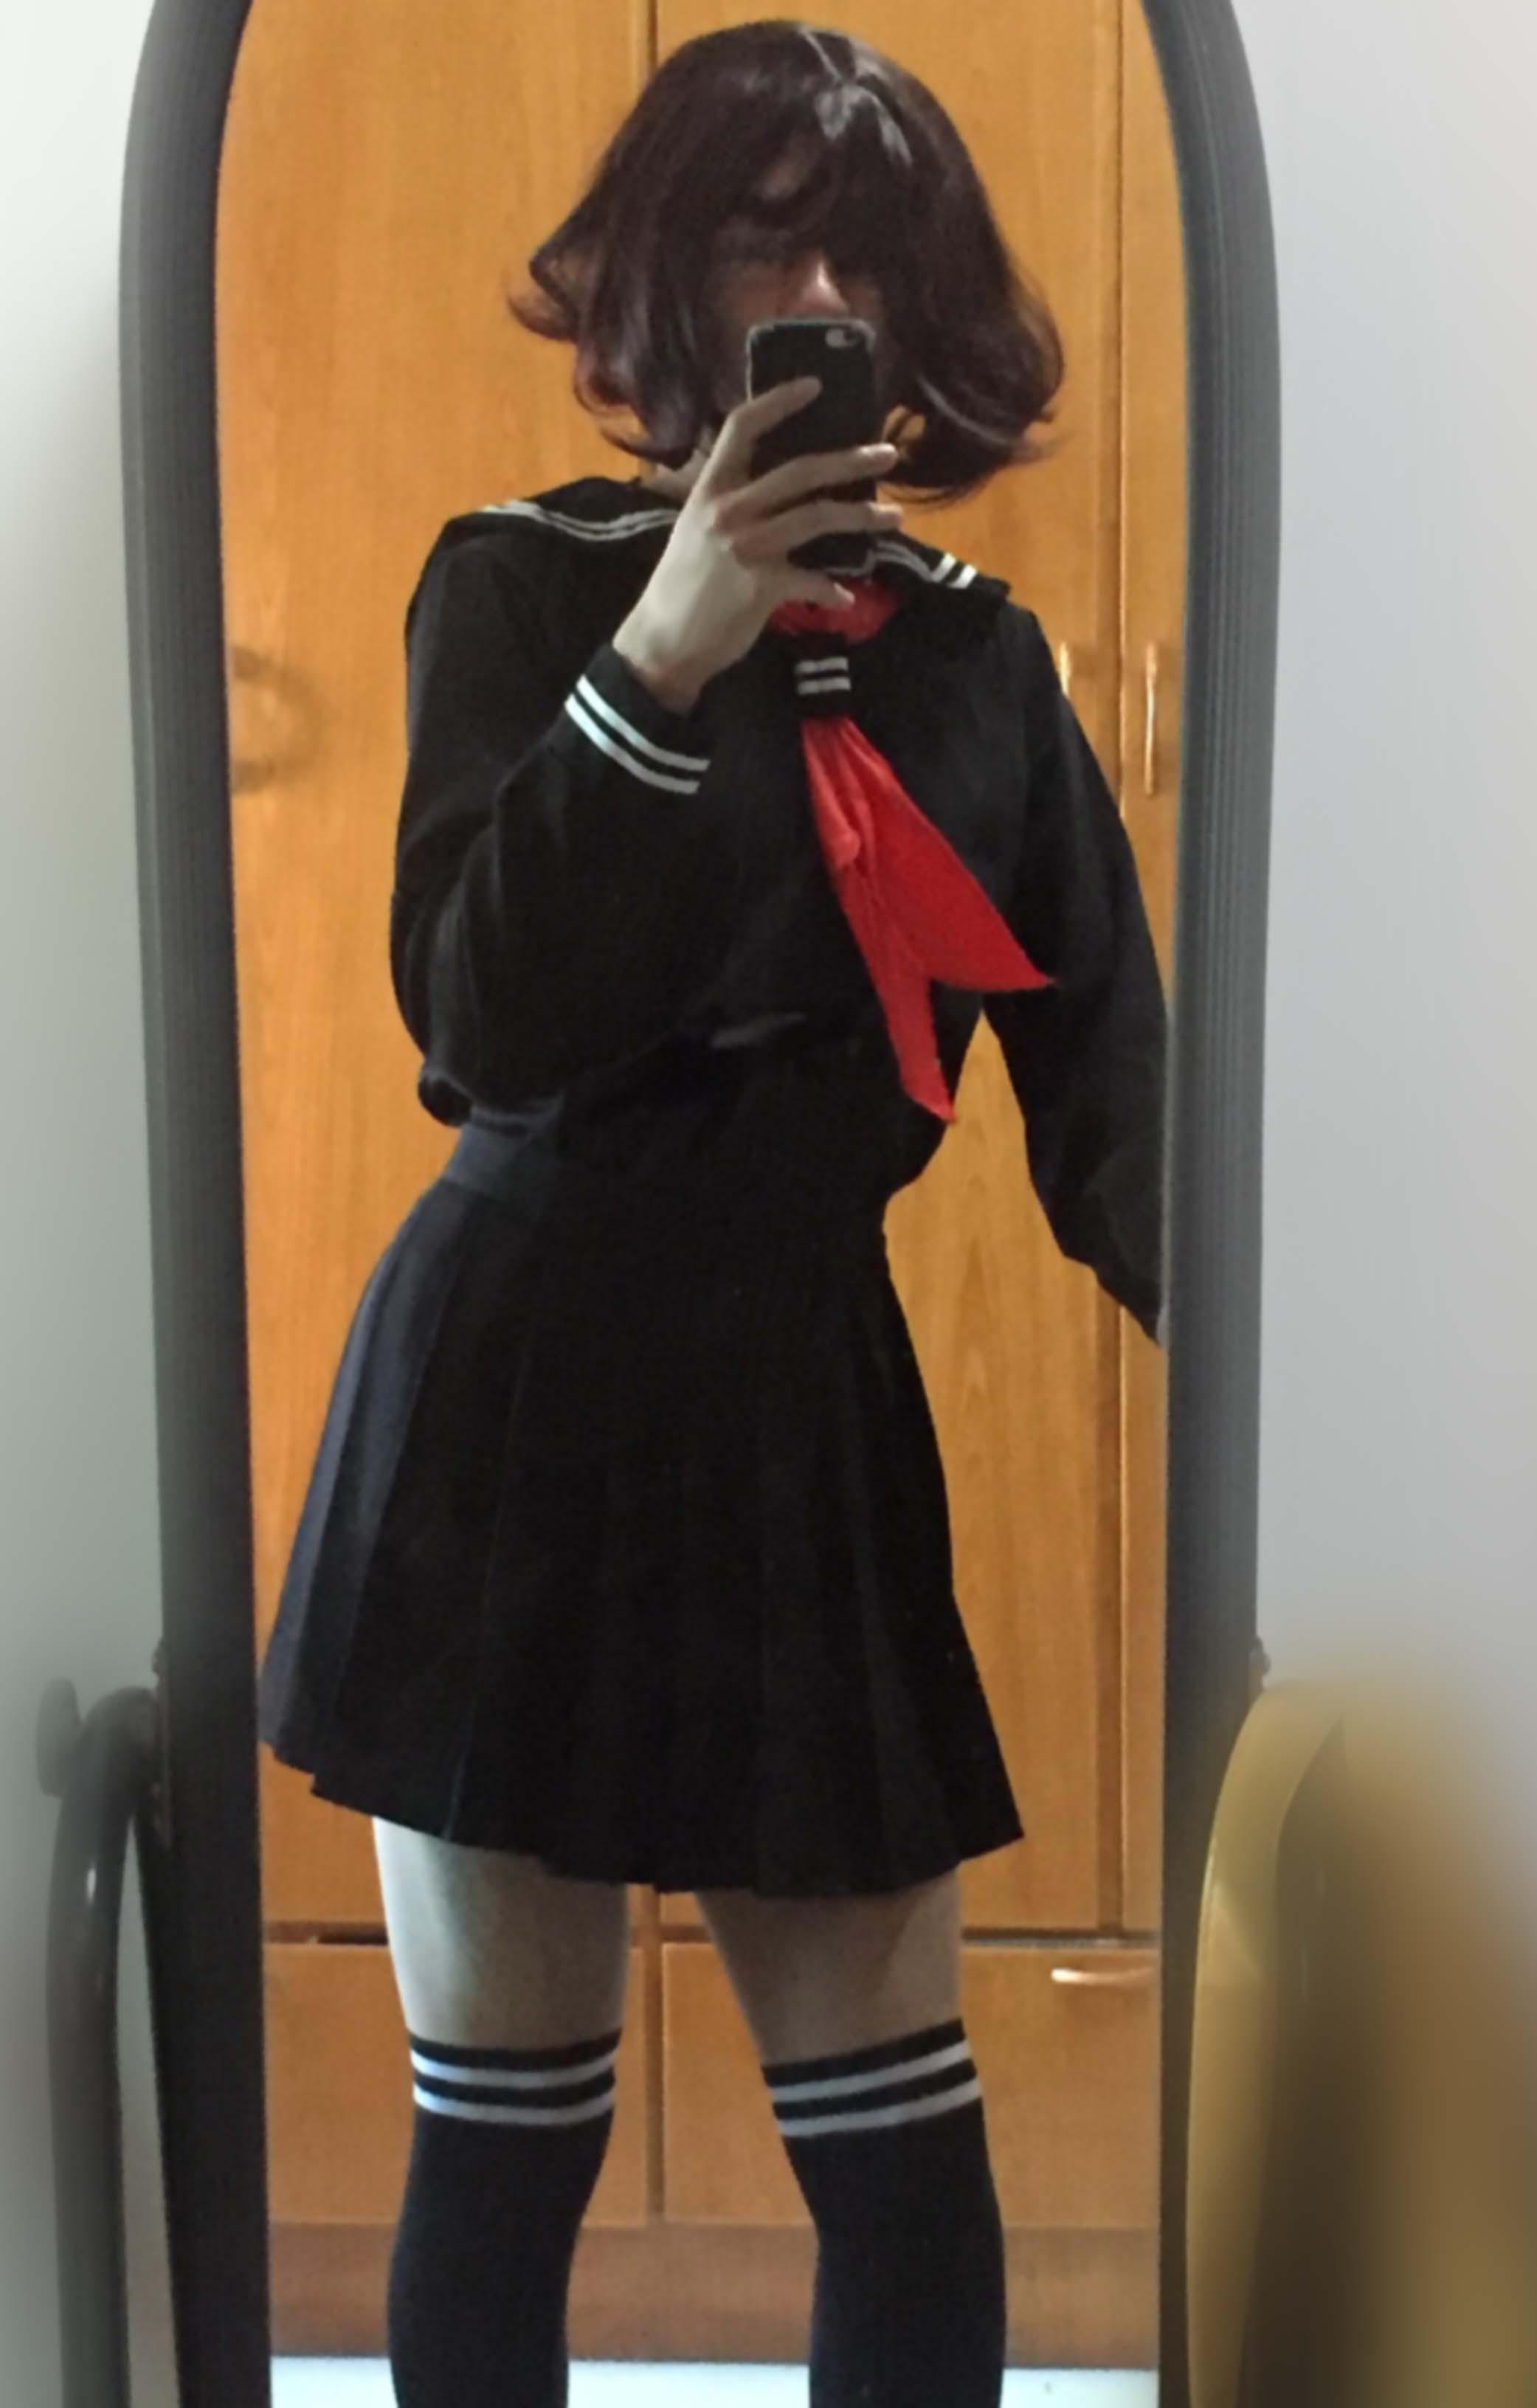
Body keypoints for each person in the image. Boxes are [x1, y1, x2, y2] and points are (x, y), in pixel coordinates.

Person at [256, 21, 1167, 2407]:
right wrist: (665, 650)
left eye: (871, 252)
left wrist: (1310, 1400)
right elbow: (481, 1015)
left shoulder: (982, 662)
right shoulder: (518, 588)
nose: (827, 297)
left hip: (798, 1412)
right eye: (772, 246)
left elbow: (1120, 1099)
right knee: (506, 2146)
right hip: (513, 1388)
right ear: (672, 277)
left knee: (904, 2165)